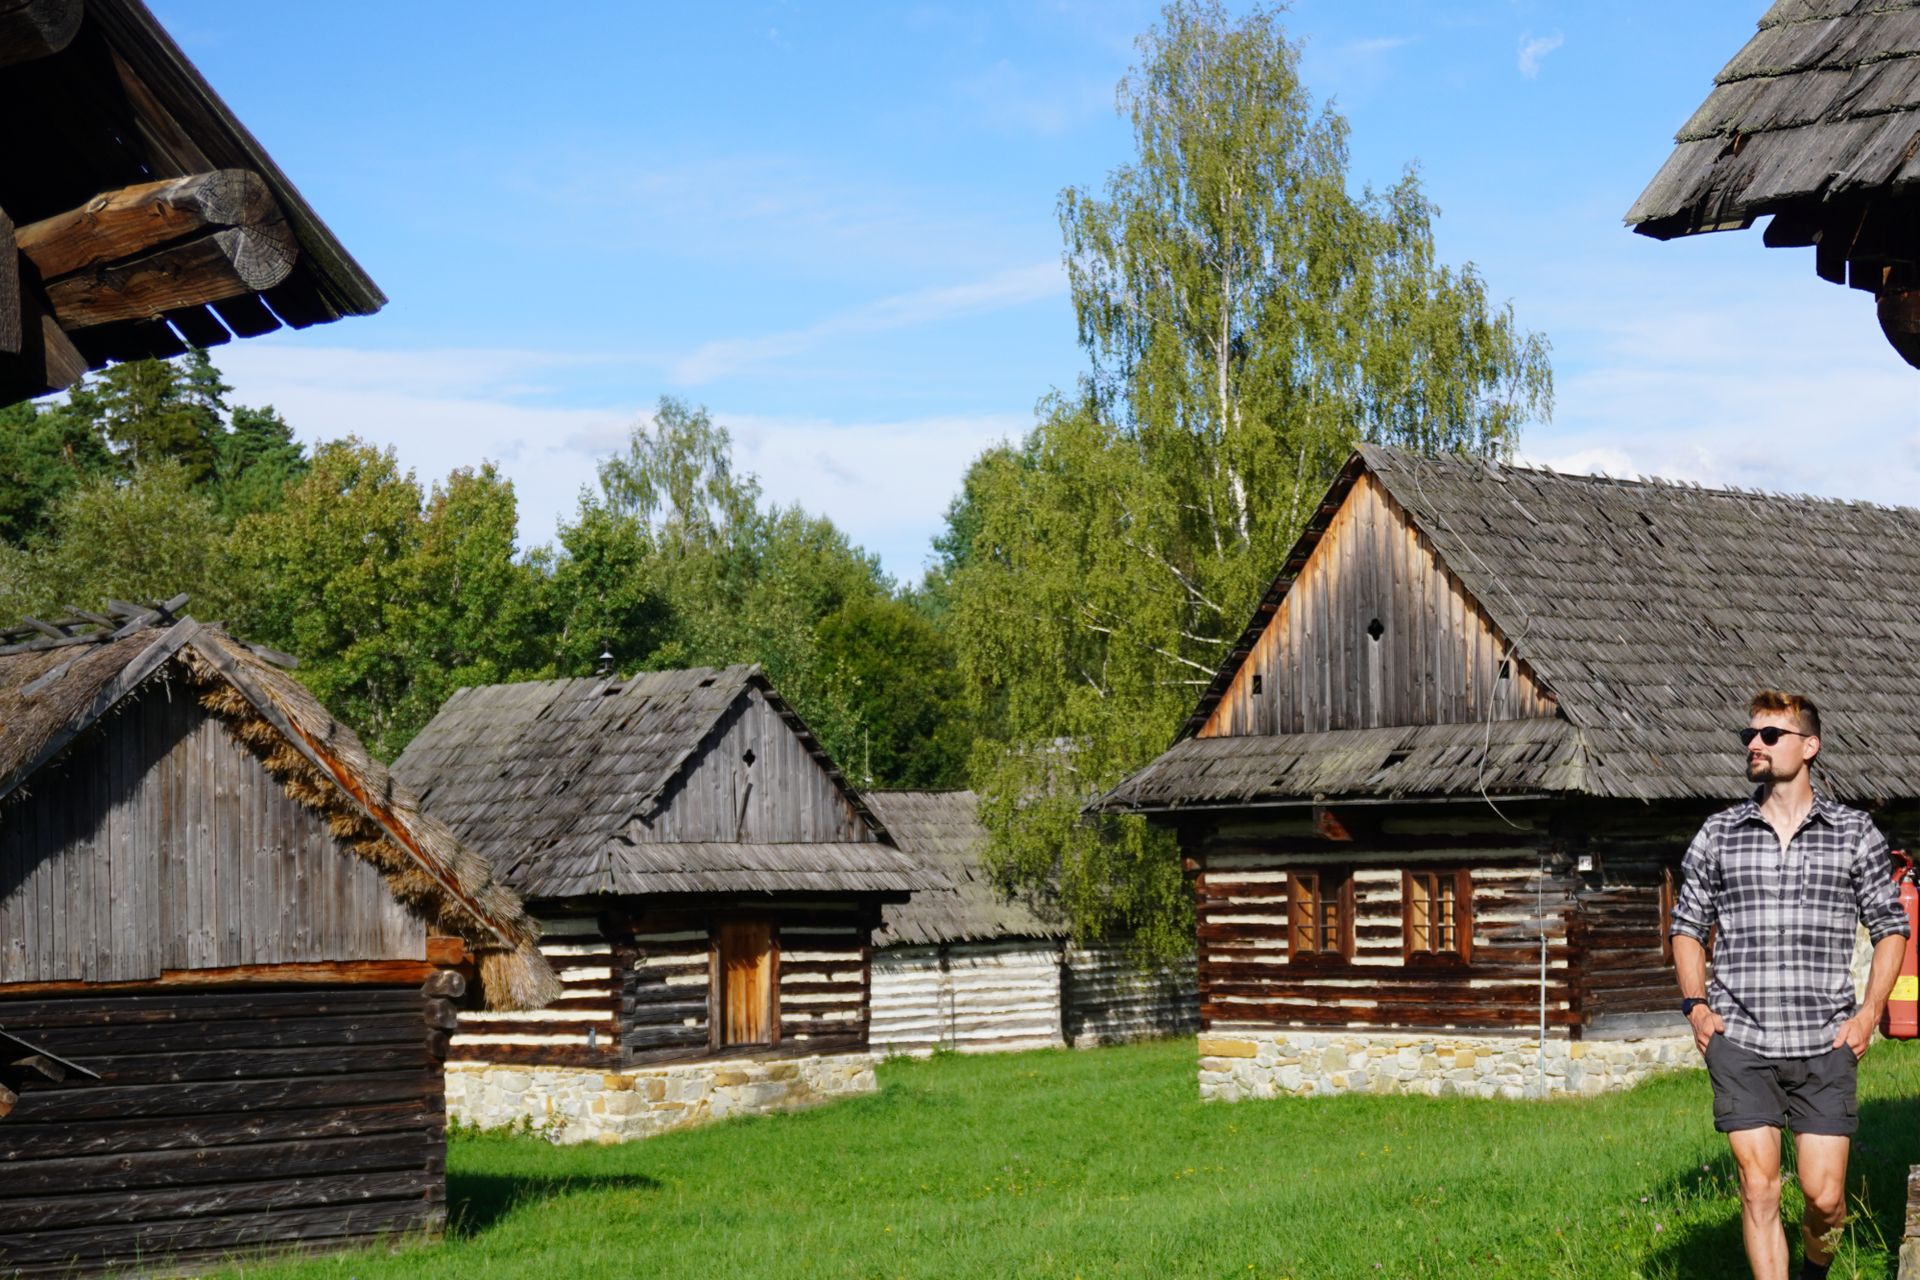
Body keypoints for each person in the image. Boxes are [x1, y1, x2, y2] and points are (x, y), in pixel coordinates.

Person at [1669, 690, 1911, 1280]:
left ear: (1809, 747)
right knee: (1759, 1188)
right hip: (1741, 1041)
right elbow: (1687, 926)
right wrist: (1697, 1008)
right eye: (1750, 735)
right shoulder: (1720, 833)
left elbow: (1890, 926)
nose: (1754, 743)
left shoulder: (1854, 833)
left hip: (1826, 1042)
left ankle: (1814, 1270)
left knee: (1825, 1199)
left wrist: (1868, 1013)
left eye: (1770, 735)